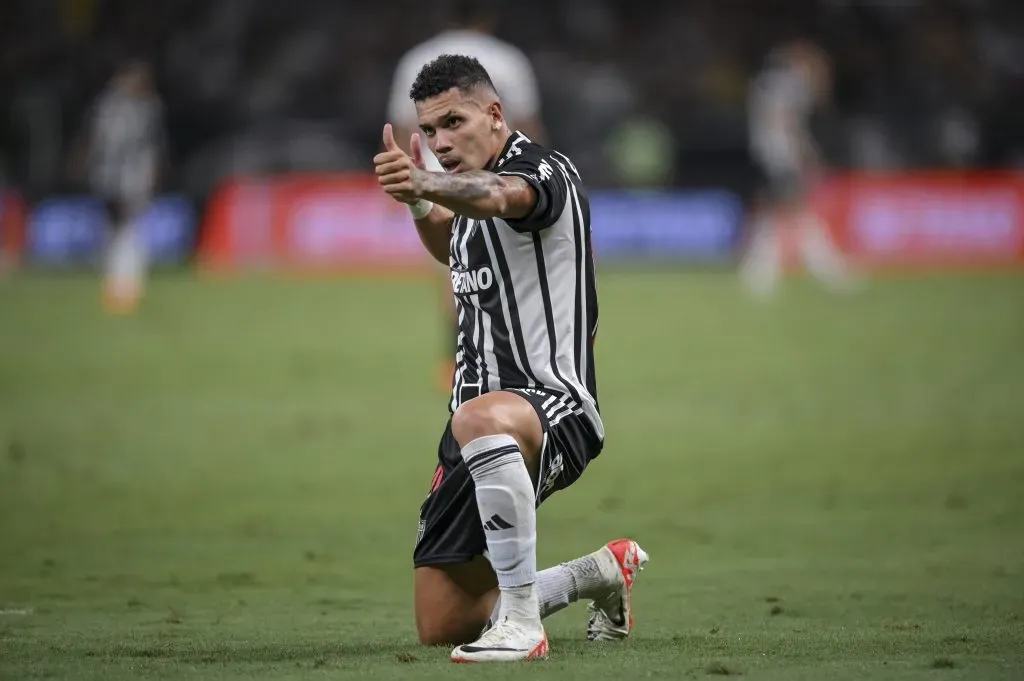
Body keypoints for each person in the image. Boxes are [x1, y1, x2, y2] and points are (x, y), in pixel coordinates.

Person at [373, 54, 648, 663]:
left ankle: (523, 628)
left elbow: (501, 196)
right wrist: (420, 202)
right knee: (443, 621)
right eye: (430, 130)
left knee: (479, 420)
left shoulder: (542, 169)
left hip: (551, 405)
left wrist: (427, 183)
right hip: (475, 423)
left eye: (454, 122)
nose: (441, 142)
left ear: (494, 113)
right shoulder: (464, 192)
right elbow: (452, 240)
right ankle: (598, 573)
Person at [385, 0, 546, 392]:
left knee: (458, 274)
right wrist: (539, 174)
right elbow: (527, 126)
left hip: (440, 180)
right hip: (502, 177)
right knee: (494, 272)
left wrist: (410, 181)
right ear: (487, 17)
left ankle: (460, 360)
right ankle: (501, 360)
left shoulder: (415, 60)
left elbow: (404, 129)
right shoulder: (509, 61)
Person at [740, 40, 858, 296]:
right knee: (792, 209)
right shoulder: (790, 84)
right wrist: (805, 153)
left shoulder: (768, 81)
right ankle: (821, 265)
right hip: (782, 154)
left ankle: (764, 270)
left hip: (765, 153)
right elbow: (786, 121)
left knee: (781, 211)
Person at [75, 59, 164, 313]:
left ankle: (128, 278)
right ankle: (114, 275)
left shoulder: (149, 107)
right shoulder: (108, 105)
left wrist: (154, 171)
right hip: (108, 174)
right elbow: (93, 135)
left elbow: (155, 145)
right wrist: (83, 158)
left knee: (129, 223)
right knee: (112, 224)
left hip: (135, 175)